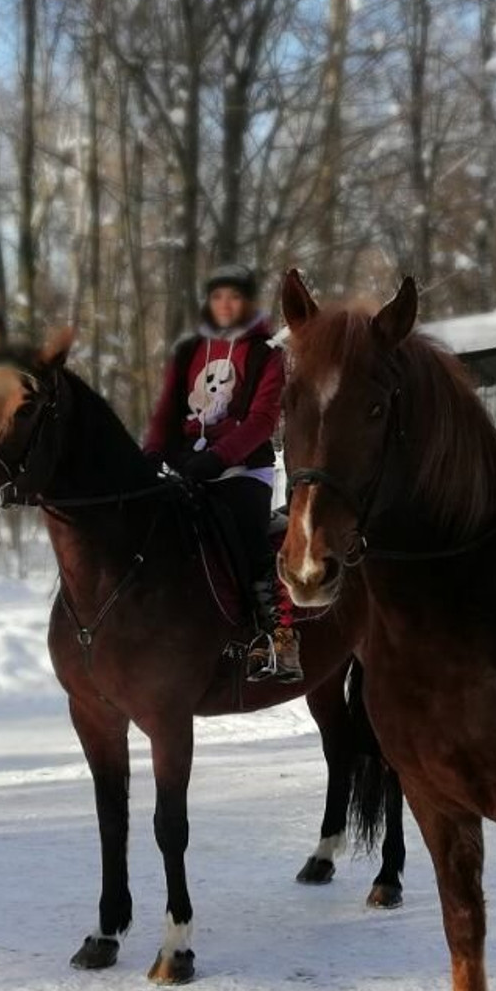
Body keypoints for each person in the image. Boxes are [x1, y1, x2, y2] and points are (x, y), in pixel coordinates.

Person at [141, 264, 299, 682]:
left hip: (245, 469)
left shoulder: (267, 354)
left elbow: (263, 420)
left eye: (234, 297)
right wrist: (154, 451)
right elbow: (167, 410)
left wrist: (219, 458)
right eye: (217, 297)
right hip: (189, 465)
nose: (225, 305)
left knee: (244, 533)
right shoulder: (188, 350)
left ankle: (278, 640)